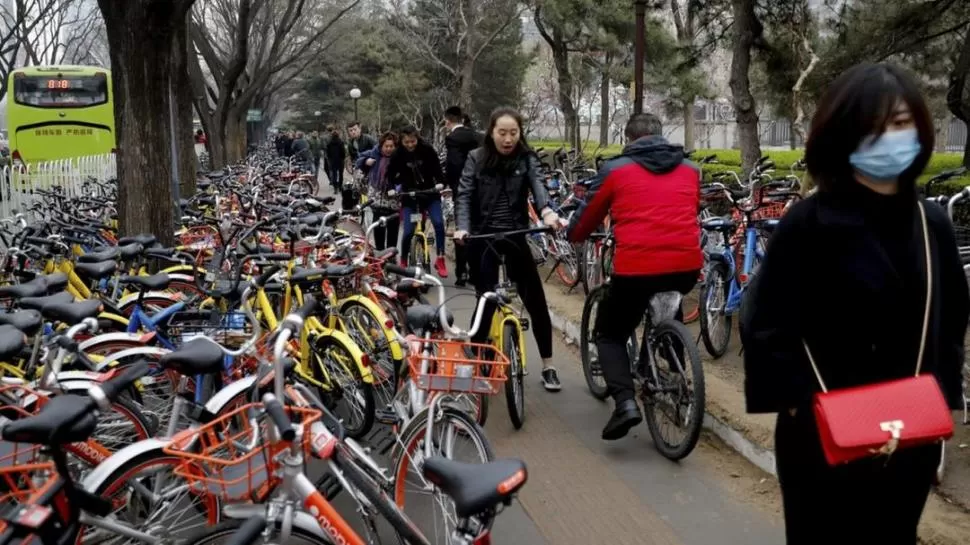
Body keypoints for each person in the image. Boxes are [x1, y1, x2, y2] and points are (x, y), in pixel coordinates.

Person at [741, 63, 969, 545]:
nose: (890, 136)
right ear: (842, 135)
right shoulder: (807, 222)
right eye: (873, 125)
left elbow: (950, 326)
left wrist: (944, 403)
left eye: (901, 122)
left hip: (909, 435)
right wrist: (801, 405)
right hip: (824, 437)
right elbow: (764, 325)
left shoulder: (933, 226)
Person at [566, 113, 702, 439]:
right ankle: (668, 376)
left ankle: (625, 403)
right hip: (686, 266)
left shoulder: (615, 169)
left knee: (610, 333)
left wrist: (575, 232)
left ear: (629, 138)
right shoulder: (690, 170)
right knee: (669, 309)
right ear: (661, 135)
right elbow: (689, 210)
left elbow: (587, 217)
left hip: (637, 268)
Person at [454, 107, 563, 392]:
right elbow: (464, 195)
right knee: (485, 299)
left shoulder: (526, 158)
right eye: (502, 132)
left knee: (535, 301)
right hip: (483, 236)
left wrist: (548, 213)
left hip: (517, 234)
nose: (508, 139)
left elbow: (539, 187)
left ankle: (549, 365)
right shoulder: (475, 159)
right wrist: (463, 227)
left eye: (513, 133)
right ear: (491, 132)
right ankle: (478, 359)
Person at [388, 126, 448, 276]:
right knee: (408, 231)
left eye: (413, 141)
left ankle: (440, 258)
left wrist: (440, 183)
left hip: (429, 194)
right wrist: (391, 188)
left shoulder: (427, 149)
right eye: (406, 142)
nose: (410, 145)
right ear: (401, 141)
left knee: (439, 223)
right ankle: (403, 259)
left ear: (417, 138)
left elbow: (437, 170)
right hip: (410, 196)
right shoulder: (398, 154)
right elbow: (390, 174)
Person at [443, 106, 482, 286]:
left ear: (448, 121)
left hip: (462, 189)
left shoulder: (452, 138)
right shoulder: (477, 136)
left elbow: (454, 164)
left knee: (462, 230)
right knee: (475, 230)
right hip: (481, 189)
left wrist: (450, 185)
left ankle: (461, 273)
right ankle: (476, 273)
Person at [356, 132, 401, 251]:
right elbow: (359, 160)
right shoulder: (375, 154)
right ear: (381, 146)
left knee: (393, 230)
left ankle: (391, 254)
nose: (389, 149)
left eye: (391, 146)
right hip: (377, 200)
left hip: (393, 201)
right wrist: (366, 161)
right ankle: (380, 254)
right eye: (386, 146)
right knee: (378, 229)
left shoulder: (399, 157)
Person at [324, 126, 348, 202]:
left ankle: (335, 188)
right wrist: (343, 157)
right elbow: (343, 152)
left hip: (332, 160)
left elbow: (327, 152)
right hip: (340, 160)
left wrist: (329, 158)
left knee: (334, 174)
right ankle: (340, 187)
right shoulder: (341, 142)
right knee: (340, 174)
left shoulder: (329, 143)